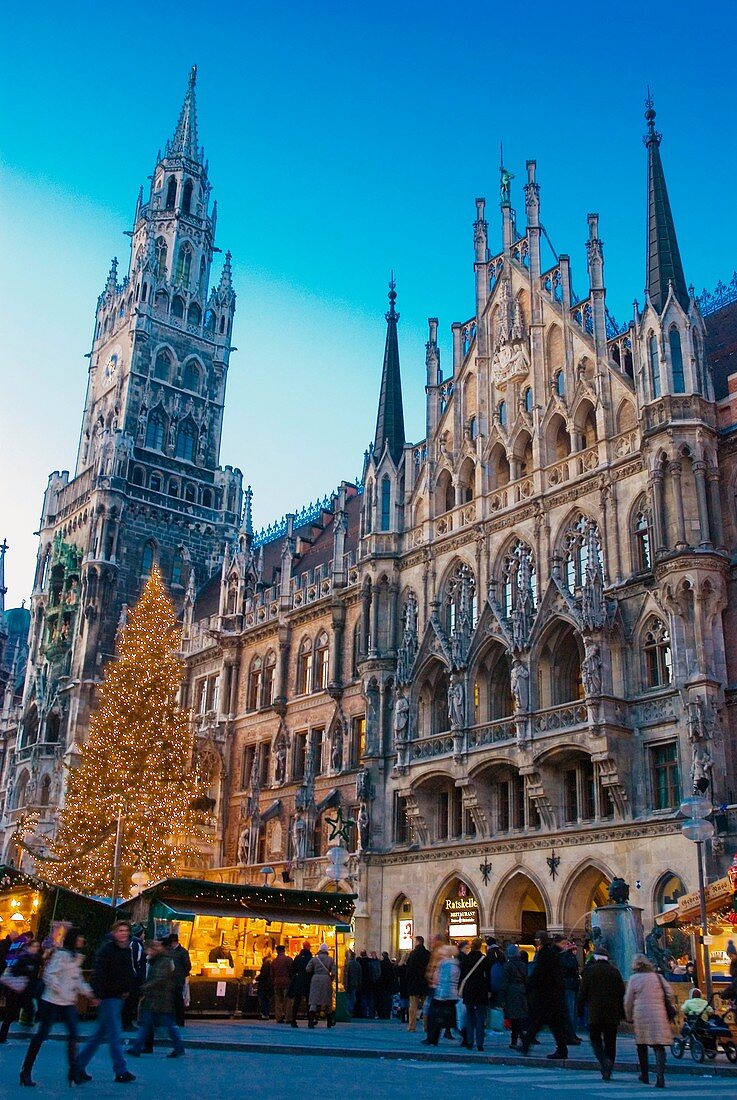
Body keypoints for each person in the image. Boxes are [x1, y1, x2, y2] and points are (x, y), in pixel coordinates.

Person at [19, 927, 95, 1088]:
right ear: (74, 939)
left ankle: (73, 1071)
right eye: (80, 937)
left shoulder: (75, 957)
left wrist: (89, 994)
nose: (82, 940)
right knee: (42, 1034)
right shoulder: (61, 955)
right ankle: (26, 1071)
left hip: (67, 1002)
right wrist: (59, 988)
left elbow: (77, 978)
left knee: (74, 1034)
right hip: (52, 1001)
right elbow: (49, 974)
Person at [72, 919, 137, 1085]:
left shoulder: (125, 950)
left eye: (125, 930)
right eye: (120, 930)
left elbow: (128, 972)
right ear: (114, 932)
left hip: (117, 996)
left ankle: (78, 1065)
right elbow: (99, 973)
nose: (123, 933)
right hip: (108, 996)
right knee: (115, 1034)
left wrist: (127, 989)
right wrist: (96, 994)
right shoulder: (107, 950)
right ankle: (120, 1070)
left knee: (99, 1035)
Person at [127, 939, 185, 1059]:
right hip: (159, 999)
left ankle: (137, 1048)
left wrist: (143, 987)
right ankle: (178, 1047)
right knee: (158, 1024)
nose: (147, 953)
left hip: (158, 998)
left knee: (154, 1024)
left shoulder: (161, 961)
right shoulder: (162, 960)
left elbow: (159, 979)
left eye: (148, 950)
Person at [624, 953, 675, 1089]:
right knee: (659, 1045)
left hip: (641, 1015)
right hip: (658, 1014)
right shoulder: (658, 977)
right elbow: (669, 992)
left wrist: (628, 1016)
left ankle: (644, 1074)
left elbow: (628, 1001)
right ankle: (660, 1076)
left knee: (642, 1045)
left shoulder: (634, 979)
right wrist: (663, 1003)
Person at [576, 944, 625, 1081]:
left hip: (595, 1012)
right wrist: (622, 1013)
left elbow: (582, 993)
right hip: (612, 1013)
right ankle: (608, 1067)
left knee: (595, 1039)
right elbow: (621, 993)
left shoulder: (590, 971)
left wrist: (579, 1011)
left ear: (595, 958)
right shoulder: (614, 971)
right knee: (611, 1041)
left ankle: (603, 1061)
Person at [520, 932, 569, 1059]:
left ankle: (526, 1045)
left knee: (539, 1022)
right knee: (551, 1024)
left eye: (537, 940)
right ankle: (561, 1049)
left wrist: (529, 987)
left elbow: (539, 974)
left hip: (546, 995)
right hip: (554, 994)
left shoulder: (545, 954)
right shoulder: (553, 954)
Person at [0, 937, 42, 1044]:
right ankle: (2, 1037)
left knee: (29, 1009)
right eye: (34, 946)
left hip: (24, 991)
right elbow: (15, 972)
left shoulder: (35, 959)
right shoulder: (23, 959)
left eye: (37, 946)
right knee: (11, 1014)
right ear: (28, 947)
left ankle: (24, 1028)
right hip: (16, 991)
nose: (36, 948)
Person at [425, 945, 460, 1046]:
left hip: (443, 994)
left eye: (441, 954)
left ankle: (432, 1039)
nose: (439, 955)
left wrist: (441, 995)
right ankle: (465, 1036)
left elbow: (445, 980)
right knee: (450, 1017)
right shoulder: (455, 964)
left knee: (434, 1017)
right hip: (451, 994)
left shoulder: (446, 964)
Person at [458, 937, 489, 1052]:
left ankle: (470, 1041)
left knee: (469, 1016)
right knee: (481, 1017)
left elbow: (462, 976)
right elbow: (488, 976)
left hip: (469, 991)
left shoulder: (466, 959)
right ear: (480, 946)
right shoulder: (484, 959)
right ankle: (480, 1043)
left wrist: (459, 989)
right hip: (481, 990)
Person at [500, 944, 529, 1050]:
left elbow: (504, 982)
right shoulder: (523, 965)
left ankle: (517, 1039)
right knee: (519, 1017)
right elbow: (527, 979)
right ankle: (519, 1038)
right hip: (522, 992)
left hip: (511, 993)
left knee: (514, 1018)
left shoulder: (507, 966)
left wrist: (502, 997)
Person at [122, 924, 146, 1032]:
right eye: (143, 933)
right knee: (131, 1001)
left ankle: (126, 1022)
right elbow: (137, 961)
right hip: (134, 977)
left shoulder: (130, 942)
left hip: (130, 976)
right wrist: (138, 975)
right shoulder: (137, 943)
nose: (144, 935)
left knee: (129, 1001)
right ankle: (127, 1023)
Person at [305, 943, 336, 1027]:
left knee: (314, 1001)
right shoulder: (330, 959)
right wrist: (330, 979)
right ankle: (329, 1022)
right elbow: (333, 972)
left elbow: (307, 969)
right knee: (327, 1001)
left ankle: (311, 1021)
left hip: (315, 980)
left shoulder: (315, 959)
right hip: (326, 980)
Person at [165, 933, 192, 1027]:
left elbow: (187, 966)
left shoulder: (182, 952)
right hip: (174, 979)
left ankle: (179, 1020)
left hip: (177, 979)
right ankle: (175, 1020)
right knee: (174, 1000)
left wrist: (182, 974)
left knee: (178, 1000)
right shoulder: (182, 951)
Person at [405, 935, 430, 1032]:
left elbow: (409, 968)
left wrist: (408, 980)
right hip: (425, 983)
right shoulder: (428, 954)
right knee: (426, 1006)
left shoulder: (413, 954)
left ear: (418, 942)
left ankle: (412, 1026)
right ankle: (426, 1026)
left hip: (414, 983)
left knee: (413, 1007)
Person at [560, 939, 583, 1044]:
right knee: (570, 1011)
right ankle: (569, 1035)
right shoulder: (568, 958)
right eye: (574, 949)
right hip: (569, 987)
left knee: (572, 1012)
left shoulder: (569, 958)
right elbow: (569, 970)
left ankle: (572, 1034)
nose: (576, 951)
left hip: (571, 987)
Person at [289, 941, 312, 1027]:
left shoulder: (297, 958)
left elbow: (292, 969)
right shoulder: (310, 958)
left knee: (296, 1002)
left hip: (298, 981)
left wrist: (295, 977)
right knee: (309, 1002)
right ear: (308, 947)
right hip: (308, 981)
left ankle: (293, 1020)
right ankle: (310, 1020)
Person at [272, 944, 293, 1023]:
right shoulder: (288, 959)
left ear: (277, 951)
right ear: (284, 951)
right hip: (287, 982)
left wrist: (274, 980)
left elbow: (272, 973)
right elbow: (292, 971)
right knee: (288, 1000)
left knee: (278, 1000)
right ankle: (288, 1017)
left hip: (277, 982)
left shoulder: (274, 961)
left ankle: (279, 1017)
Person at [376, 951, 396, 1019]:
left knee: (382, 1000)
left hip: (382, 985)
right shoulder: (390, 964)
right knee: (388, 1000)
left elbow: (379, 974)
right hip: (389, 985)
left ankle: (382, 1014)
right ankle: (387, 1014)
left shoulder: (381, 964)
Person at [343, 949, 362, 1018]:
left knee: (348, 997)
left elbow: (346, 975)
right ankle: (352, 1009)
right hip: (355, 983)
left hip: (349, 983)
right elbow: (360, 975)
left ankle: (349, 1010)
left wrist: (345, 983)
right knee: (353, 997)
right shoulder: (358, 964)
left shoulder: (348, 964)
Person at [258, 952, 273, 1020]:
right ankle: (267, 1013)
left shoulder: (265, 966)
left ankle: (264, 1014)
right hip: (270, 985)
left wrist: (256, 978)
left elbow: (262, 975)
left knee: (263, 999)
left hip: (263, 985)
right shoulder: (272, 965)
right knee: (267, 1000)